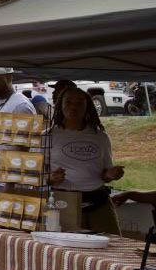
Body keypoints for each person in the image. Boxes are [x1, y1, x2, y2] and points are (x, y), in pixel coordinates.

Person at [47, 87, 124, 234]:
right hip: (63, 201)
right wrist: (51, 178)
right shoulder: (48, 135)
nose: (73, 107)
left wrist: (111, 174)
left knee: (111, 244)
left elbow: (104, 175)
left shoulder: (100, 136)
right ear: (60, 105)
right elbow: (35, 175)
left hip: (99, 202)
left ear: (87, 107)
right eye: (68, 102)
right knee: (67, 251)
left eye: (79, 103)